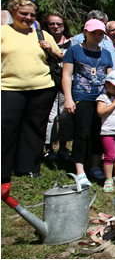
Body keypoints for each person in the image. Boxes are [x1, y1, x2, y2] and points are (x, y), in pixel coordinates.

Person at [1, 0, 62, 183]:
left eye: (32, 15)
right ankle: (4, 170)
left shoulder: (41, 34)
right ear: (12, 13)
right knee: (6, 129)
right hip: (8, 88)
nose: (28, 17)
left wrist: (51, 49)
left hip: (42, 87)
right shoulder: (3, 32)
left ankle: (28, 167)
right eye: (24, 14)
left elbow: (59, 56)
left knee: (35, 128)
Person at [62, 19, 114, 186]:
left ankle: (95, 165)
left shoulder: (105, 53)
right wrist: (68, 98)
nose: (97, 36)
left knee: (99, 132)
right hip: (81, 96)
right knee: (82, 133)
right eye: (93, 33)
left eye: (100, 33)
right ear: (85, 32)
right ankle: (79, 169)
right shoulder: (74, 50)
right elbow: (67, 75)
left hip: (101, 98)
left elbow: (110, 78)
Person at [41, 13, 74, 163]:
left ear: (64, 25)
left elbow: (69, 59)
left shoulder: (72, 42)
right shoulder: (40, 40)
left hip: (67, 84)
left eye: (59, 24)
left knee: (66, 117)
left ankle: (63, 148)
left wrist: (52, 51)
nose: (55, 27)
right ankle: (48, 149)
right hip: (48, 83)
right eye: (51, 24)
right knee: (50, 117)